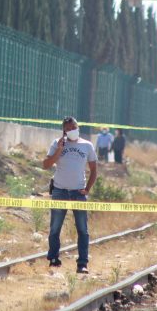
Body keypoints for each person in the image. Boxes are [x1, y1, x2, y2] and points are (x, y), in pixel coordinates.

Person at [43, 116, 97, 274]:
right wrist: (59, 149)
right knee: (55, 228)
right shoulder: (56, 143)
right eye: (68, 129)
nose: (72, 130)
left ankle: (82, 263)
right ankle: (53, 259)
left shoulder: (87, 145)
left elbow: (94, 169)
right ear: (64, 131)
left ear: (78, 127)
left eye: (74, 127)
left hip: (78, 192)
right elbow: (46, 165)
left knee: (82, 229)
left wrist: (87, 189)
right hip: (60, 191)